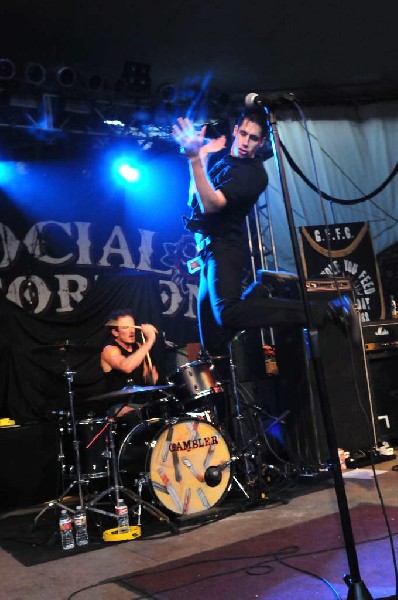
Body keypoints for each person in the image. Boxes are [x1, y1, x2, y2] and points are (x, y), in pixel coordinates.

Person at [172, 109, 356, 357]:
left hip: (226, 247)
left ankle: (328, 310)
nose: (246, 142)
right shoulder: (224, 160)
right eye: (244, 133)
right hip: (209, 250)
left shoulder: (253, 175)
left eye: (254, 138)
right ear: (235, 130)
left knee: (227, 312)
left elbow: (211, 204)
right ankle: (261, 292)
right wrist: (201, 156)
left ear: (261, 143)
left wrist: (196, 158)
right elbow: (196, 198)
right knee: (213, 342)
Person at [100, 309, 159, 421]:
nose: (132, 331)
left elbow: (147, 379)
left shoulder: (139, 347)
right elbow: (127, 367)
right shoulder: (109, 350)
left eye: (133, 326)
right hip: (119, 406)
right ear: (115, 332)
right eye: (126, 328)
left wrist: (151, 378)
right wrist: (150, 340)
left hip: (141, 403)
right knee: (134, 415)